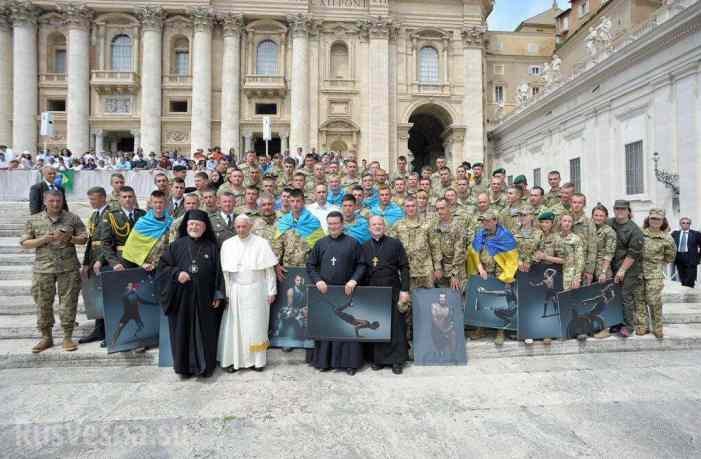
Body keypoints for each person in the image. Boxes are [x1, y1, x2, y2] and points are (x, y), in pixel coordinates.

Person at [158, 210, 225, 378]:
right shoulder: (176, 245)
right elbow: (163, 268)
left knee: (205, 332)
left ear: (204, 227)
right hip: (182, 299)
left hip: (205, 299)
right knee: (182, 332)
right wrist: (176, 274)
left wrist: (218, 293)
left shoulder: (212, 247)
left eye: (197, 224)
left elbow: (220, 273)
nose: (194, 227)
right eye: (191, 224)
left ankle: (205, 367)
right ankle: (184, 368)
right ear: (186, 226)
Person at [20, 190, 87, 352]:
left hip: (68, 268)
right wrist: (44, 239)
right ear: (44, 201)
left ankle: (67, 337)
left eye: (58, 201)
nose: (55, 204)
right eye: (52, 201)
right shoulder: (34, 220)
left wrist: (69, 238)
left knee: (69, 302)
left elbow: (84, 239)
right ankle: (46, 337)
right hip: (43, 269)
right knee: (43, 304)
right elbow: (25, 242)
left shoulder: (72, 218)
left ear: (62, 200)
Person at [306, 211, 367, 375]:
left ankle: (349, 364)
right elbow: (311, 265)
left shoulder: (353, 243)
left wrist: (354, 280)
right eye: (330, 224)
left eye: (336, 223)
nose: (333, 227)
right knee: (328, 328)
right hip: (326, 293)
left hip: (347, 292)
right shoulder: (320, 244)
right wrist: (318, 280)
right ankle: (324, 361)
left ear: (342, 224)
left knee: (346, 328)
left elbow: (362, 265)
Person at [218, 214, 278, 372]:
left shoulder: (261, 243)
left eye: (244, 226)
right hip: (236, 290)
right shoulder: (228, 244)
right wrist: (227, 294)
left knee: (256, 327)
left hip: (257, 290)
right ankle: (234, 360)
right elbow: (225, 274)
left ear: (250, 226)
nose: (241, 230)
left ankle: (257, 362)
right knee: (235, 327)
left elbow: (269, 271)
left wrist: (272, 291)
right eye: (238, 227)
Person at [361, 216, 411, 375]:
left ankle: (397, 361)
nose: (377, 227)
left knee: (396, 325)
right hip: (373, 290)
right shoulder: (364, 246)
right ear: (369, 228)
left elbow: (404, 268)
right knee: (376, 324)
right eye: (374, 224)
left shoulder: (395, 244)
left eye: (380, 224)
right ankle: (379, 359)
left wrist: (404, 290)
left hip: (392, 288)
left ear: (385, 226)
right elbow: (361, 269)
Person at [467, 209, 519, 345]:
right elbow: (474, 251)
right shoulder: (481, 234)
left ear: (495, 221)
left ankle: (500, 330)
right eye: (483, 221)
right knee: (482, 299)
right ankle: (481, 327)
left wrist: (506, 276)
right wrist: (479, 267)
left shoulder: (505, 236)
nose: (485, 223)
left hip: (500, 273)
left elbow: (513, 257)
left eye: (488, 220)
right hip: (484, 271)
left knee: (499, 301)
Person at [78, 187, 111, 345]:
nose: (91, 202)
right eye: (90, 199)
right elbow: (91, 241)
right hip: (93, 260)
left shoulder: (112, 214)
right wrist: (85, 262)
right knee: (97, 297)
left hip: (106, 261)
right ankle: (99, 329)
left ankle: (109, 331)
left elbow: (111, 241)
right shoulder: (94, 215)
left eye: (94, 199)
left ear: (104, 198)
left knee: (108, 297)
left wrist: (101, 260)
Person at [609, 200, 644, 338]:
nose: (620, 211)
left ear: (628, 211)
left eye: (623, 209)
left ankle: (629, 326)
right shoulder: (610, 223)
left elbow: (633, 253)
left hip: (629, 268)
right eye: (617, 208)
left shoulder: (634, 230)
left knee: (625, 296)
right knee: (614, 296)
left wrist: (622, 270)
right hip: (613, 264)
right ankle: (617, 322)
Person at [641, 209, 676, 338]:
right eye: (652, 218)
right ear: (648, 219)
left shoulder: (667, 237)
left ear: (663, 221)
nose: (655, 221)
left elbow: (670, 256)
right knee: (640, 300)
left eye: (658, 219)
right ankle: (642, 326)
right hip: (639, 272)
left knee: (653, 299)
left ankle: (657, 327)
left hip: (654, 273)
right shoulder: (640, 233)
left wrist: (657, 263)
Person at [671, 217, 701, 288]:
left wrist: (698, 256)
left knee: (690, 281)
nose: (685, 224)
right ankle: (686, 297)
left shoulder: (696, 234)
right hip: (679, 258)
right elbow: (669, 245)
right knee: (683, 280)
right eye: (683, 223)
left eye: (688, 223)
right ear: (680, 224)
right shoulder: (675, 234)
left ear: (690, 224)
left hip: (691, 259)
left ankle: (689, 297)